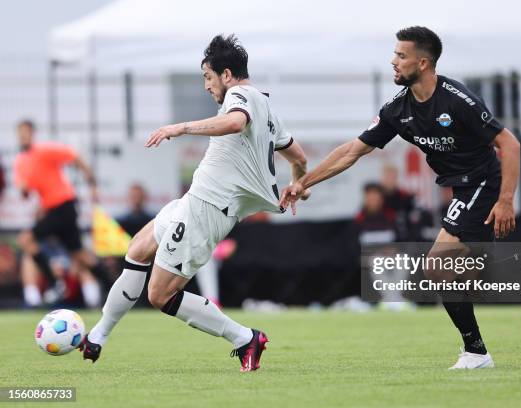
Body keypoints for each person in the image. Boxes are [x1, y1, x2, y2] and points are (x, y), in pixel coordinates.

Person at [281, 26, 521, 369]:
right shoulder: (398, 109)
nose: (393, 62)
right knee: (463, 275)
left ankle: (476, 353)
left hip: (484, 183)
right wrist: (304, 182)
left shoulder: (457, 99)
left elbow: (510, 144)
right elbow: (352, 151)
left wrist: (505, 201)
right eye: (394, 54)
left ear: (423, 63)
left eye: (401, 56)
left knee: (437, 267)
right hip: (463, 189)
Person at [80, 34, 309, 372]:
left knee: (160, 295)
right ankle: (98, 335)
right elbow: (299, 156)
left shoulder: (240, 96)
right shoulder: (268, 109)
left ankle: (243, 337)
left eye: (207, 76)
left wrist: (181, 127)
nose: (206, 85)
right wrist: (297, 183)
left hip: (209, 208)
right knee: (139, 248)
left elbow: (234, 122)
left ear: (226, 75)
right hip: (196, 200)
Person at [13, 119, 107, 305]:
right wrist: (24, 190)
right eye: (20, 133)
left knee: (26, 239)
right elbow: (25, 193)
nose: (24, 136)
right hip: (53, 209)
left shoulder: (44, 151)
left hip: (63, 206)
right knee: (79, 255)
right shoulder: (20, 162)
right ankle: (114, 285)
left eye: (27, 132)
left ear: (32, 134)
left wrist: (93, 184)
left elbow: (74, 156)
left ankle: (56, 284)